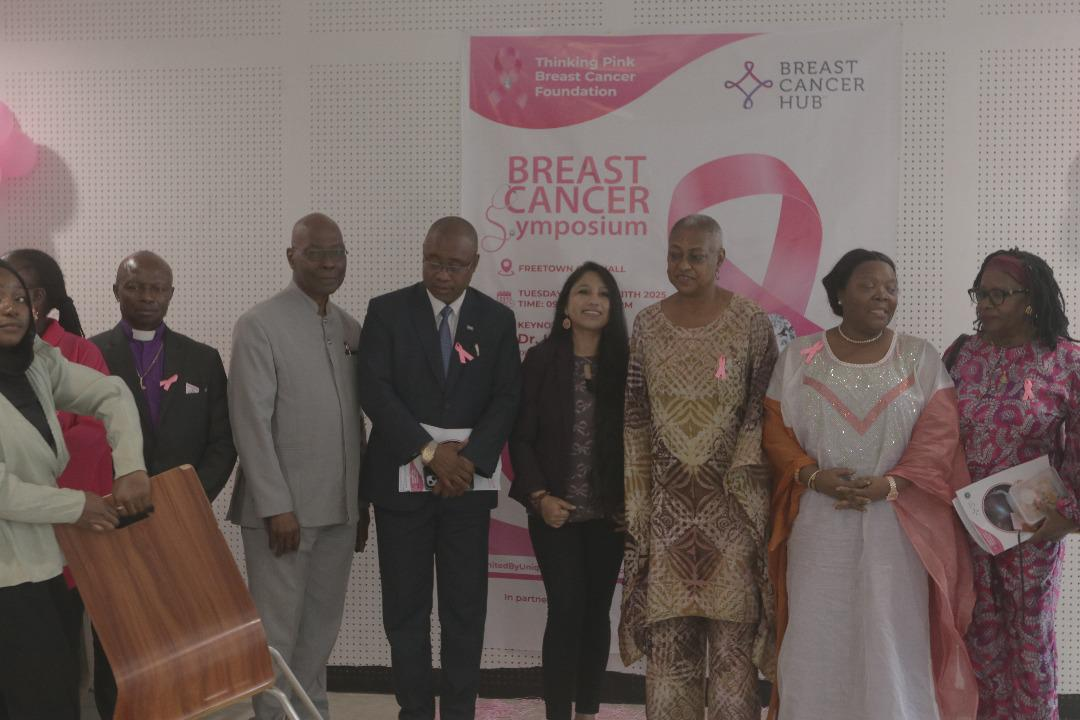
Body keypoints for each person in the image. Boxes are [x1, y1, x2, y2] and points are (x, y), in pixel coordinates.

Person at [763, 249, 977, 720]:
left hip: (896, 527)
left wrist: (892, 485)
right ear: (840, 293)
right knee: (819, 631)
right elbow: (775, 430)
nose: (883, 295)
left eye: (891, 288)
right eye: (869, 285)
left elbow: (940, 436)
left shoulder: (919, 357)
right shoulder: (800, 356)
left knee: (892, 634)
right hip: (818, 524)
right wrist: (813, 475)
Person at [358, 216, 520, 720]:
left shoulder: (497, 319)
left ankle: (459, 712)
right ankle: (414, 711)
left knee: (464, 612)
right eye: (433, 261)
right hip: (400, 490)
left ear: (474, 264)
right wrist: (430, 453)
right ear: (423, 254)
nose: (442, 274)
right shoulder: (386, 311)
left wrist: (466, 463)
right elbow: (374, 391)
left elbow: (507, 397)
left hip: (465, 491)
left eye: (454, 265)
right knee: (405, 611)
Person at [618, 214, 777, 720]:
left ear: (720, 259)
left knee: (732, 658)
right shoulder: (647, 324)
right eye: (675, 254)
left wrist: (748, 487)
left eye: (696, 256)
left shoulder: (750, 321)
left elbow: (763, 410)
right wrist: (639, 507)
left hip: (731, 515)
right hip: (667, 518)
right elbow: (635, 420)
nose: (683, 265)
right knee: (670, 656)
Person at [227, 213, 368, 720]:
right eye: (317, 252)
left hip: (339, 511)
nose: (330, 263)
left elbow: (356, 424)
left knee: (320, 632)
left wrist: (360, 503)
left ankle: (312, 714)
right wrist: (275, 506)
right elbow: (250, 422)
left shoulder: (349, 328)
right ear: (292, 256)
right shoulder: (260, 325)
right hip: (282, 518)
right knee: (276, 636)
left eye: (338, 252)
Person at [0, 259, 150, 720]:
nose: (9, 307)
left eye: (18, 298)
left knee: (54, 698)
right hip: (7, 578)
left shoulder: (37, 363)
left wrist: (130, 466)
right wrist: (74, 505)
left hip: (44, 564)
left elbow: (112, 393)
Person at [946, 249, 1080, 720]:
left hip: (1032, 528)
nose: (985, 303)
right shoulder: (962, 353)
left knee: (1028, 639)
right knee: (975, 636)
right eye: (980, 294)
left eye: (998, 294)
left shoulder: (1066, 361)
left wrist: (1068, 516)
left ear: (1030, 300)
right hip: (965, 525)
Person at [509, 262, 629, 720]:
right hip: (554, 513)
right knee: (565, 609)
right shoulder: (541, 360)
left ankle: (588, 712)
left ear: (613, 308)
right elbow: (521, 437)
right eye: (583, 291)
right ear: (565, 305)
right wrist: (539, 497)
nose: (593, 300)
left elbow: (641, 439)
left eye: (603, 293)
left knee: (597, 612)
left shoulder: (627, 364)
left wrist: (629, 502)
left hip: (609, 515)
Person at [92, 251, 236, 501]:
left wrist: (191, 496)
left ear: (170, 293)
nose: (147, 297)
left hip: (185, 503)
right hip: (111, 503)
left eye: (158, 289)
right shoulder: (90, 354)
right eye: (134, 287)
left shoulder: (203, 359)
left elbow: (223, 440)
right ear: (116, 291)